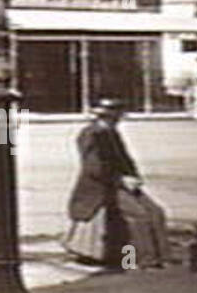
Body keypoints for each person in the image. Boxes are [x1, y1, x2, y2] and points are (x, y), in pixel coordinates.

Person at [64, 98, 170, 269]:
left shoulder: (112, 133)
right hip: (102, 188)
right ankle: (139, 259)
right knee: (138, 216)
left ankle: (162, 256)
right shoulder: (91, 134)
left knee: (156, 212)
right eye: (113, 117)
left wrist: (134, 177)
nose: (117, 121)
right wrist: (121, 180)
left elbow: (126, 159)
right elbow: (94, 169)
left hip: (122, 184)